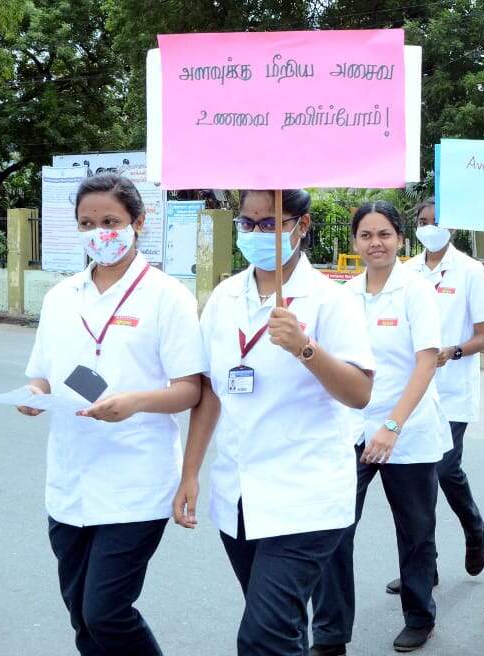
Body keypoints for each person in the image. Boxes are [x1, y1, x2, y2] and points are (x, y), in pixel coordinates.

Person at [174, 189, 375, 655]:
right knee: (280, 629)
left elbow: (360, 392)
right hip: (239, 494)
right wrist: (190, 473)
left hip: (305, 494)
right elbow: (209, 392)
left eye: (271, 224)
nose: (258, 233)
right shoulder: (225, 297)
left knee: (261, 636)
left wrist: (305, 348)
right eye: (249, 223)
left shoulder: (330, 300)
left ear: (301, 226)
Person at [18, 173, 205, 656]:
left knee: (107, 610)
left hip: (134, 481)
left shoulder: (168, 297)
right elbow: (41, 373)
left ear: (138, 223)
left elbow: (190, 389)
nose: (99, 232)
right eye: (87, 222)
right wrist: (32, 392)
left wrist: (136, 402)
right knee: (81, 613)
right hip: (69, 480)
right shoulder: (61, 298)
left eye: (110, 221)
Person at [310, 201, 451, 654]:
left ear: (400, 239)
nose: (376, 243)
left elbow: (426, 362)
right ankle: (331, 633)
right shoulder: (342, 296)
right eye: (367, 235)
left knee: (414, 531)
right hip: (352, 429)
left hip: (406, 430)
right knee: (334, 531)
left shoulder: (417, 291)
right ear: (354, 242)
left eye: (385, 234)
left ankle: (419, 616)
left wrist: (393, 424)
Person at [397, 198, 484, 594]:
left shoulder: (470, 271)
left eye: (436, 221)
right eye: (422, 221)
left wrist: (451, 351)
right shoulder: (406, 272)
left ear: (452, 227)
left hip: (453, 388)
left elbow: (482, 337)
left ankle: (473, 526)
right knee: (416, 478)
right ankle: (424, 566)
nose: (429, 227)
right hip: (414, 388)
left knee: (443, 468)